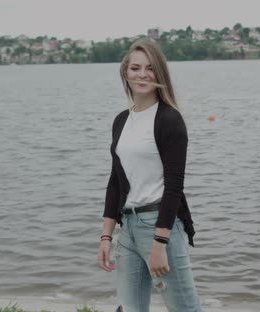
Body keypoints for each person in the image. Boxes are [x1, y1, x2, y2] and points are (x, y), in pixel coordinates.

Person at [97, 39, 202, 312]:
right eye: (135, 68)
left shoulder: (169, 120)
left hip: (159, 225)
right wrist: (106, 236)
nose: (142, 74)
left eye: (149, 68)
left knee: (185, 309)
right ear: (125, 73)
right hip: (128, 228)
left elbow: (174, 187)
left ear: (159, 74)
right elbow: (115, 182)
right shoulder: (121, 120)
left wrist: (160, 242)